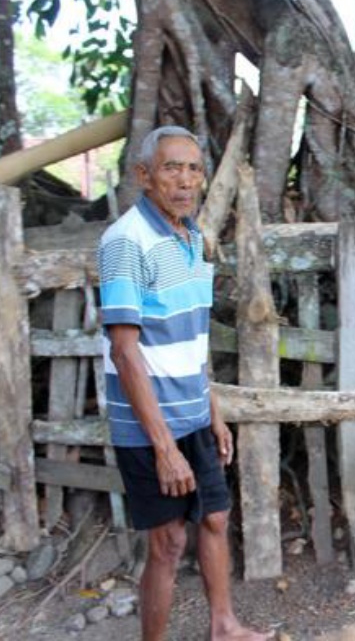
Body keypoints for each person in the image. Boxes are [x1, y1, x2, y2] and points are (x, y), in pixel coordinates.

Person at [98, 125, 271, 641]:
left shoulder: (192, 237)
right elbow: (125, 352)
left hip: (194, 415)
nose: (186, 179)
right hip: (150, 426)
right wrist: (165, 448)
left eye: (195, 168)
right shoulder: (126, 241)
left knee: (215, 519)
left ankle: (224, 626)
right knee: (169, 542)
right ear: (144, 175)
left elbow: (192, 339)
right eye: (172, 167)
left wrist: (212, 414)